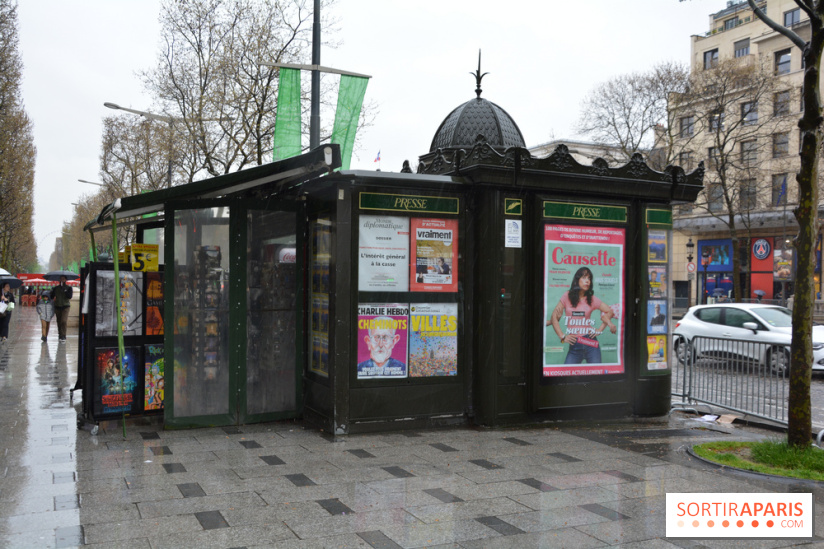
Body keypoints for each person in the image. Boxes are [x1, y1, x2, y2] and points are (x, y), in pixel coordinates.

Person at [547, 267, 617, 364]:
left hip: (591, 343)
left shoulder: (591, 299)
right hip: (574, 345)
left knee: (596, 376)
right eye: (584, 278)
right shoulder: (567, 296)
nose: (587, 281)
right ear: (577, 279)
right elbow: (554, 316)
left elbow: (609, 311)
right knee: (566, 376)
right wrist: (562, 336)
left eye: (589, 278)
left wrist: (600, 330)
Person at [50, 276, 73, 342]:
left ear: (66, 280)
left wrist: (65, 291)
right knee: (59, 321)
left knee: (63, 321)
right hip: (57, 306)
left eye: (63, 279)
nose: (62, 280)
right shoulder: (56, 288)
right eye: (61, 279)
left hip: (65, 306)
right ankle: (60, 334)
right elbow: (52, 297)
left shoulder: (69, 288)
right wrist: (52, 291)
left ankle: (63, 335)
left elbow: (70, 296)